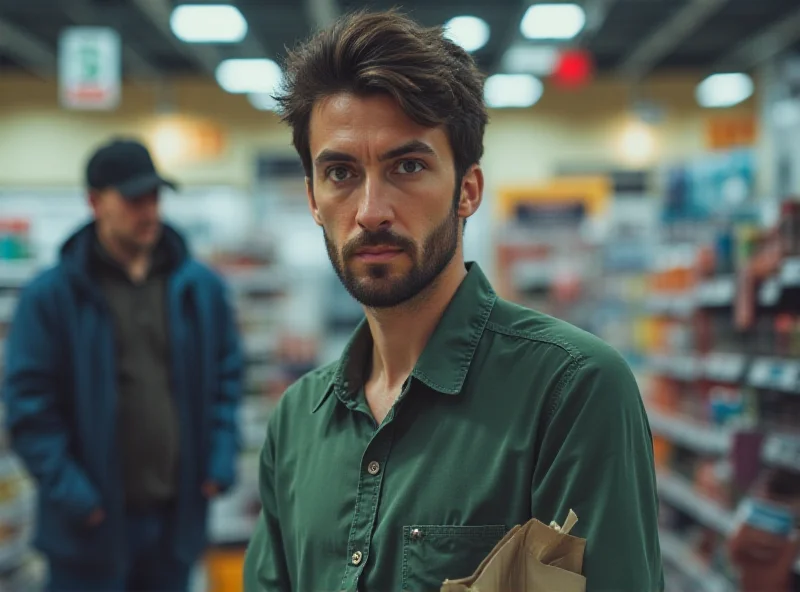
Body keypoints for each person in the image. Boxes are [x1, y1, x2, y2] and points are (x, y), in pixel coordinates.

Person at [243, 9, 663, 592]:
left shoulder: (572, 390)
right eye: (340, 173)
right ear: (313, 199)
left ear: (467, 189)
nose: (370, 212)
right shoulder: (296, 421)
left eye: (407, 166)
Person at [3, 138, 243, 591]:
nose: (149, 210)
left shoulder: (199, 290)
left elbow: (227, 378)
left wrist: (219, 460)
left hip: (175, 521)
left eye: (154, 197)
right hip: (89, 530)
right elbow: (30, 409)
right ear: (94, 201)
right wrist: (77, 497)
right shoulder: (51, 298)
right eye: (134, 199)